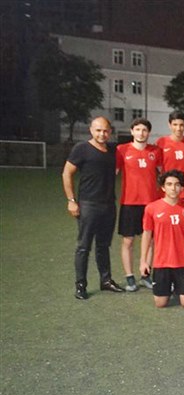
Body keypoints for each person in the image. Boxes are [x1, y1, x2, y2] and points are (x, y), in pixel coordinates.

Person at [62, 116, 125, 299]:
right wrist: (71, 200)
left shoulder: (112, 150)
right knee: (84, 247)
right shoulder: (81, 148)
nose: (102, 134)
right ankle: (80, 285)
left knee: (103, 246)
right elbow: (66, 173)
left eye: (105, 131)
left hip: (108, 205)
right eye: (98, 130)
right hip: (88, 205)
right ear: (91, 130)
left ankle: (106, 280)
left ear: (110, 132)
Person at [115, 118, 162, 291]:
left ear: (148, 133)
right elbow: (113, 172)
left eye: (144, 130)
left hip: (150, 204)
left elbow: (162, 173)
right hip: (129, 202)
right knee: (128, 241)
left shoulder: (156, 151)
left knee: (149, 241)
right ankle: (129, 277)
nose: (141, 133)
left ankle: (145, 275)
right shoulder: (122, 150)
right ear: (132, 131)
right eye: (138, 129)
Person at [139, 170, 184, 308]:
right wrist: (143, 261)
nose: (173, 188)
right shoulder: (152, 208)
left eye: (177, 184)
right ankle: (171, 285)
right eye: (169, 184)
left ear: (182, 188)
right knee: (160, 303)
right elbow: (147, 234)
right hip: (162, 262)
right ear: (163, 187)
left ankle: (178, 286)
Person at [156, 111, 184, 201]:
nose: (178, 128)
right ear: (169, 125)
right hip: (167, 192)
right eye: (175, 125)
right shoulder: (161, 142)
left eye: (181, 125)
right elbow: (157, 168)